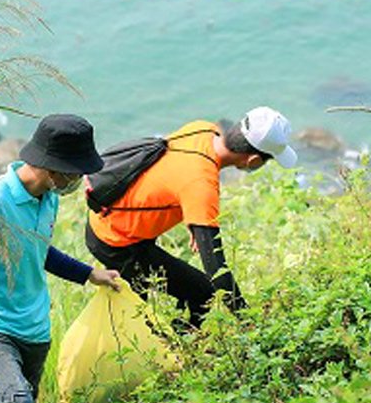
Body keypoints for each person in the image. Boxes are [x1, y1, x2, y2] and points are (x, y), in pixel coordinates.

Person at [0, 114, 121, 403]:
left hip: (33, 325)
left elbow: (39, 252)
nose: (80, 177)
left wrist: (90, 274)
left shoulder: (49, 198)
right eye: (76, 171)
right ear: (52, 166)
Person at [85, 106, 297, 329]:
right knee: (200, 293)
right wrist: (249, 324)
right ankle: (177, 348)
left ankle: (170, 339)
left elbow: (171, 172)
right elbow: (217, 270)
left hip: (108, 219)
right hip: (116, 242)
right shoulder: (201, 185)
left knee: (156, 298)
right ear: (253, 160)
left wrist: (192, 217)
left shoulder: (202, 129)